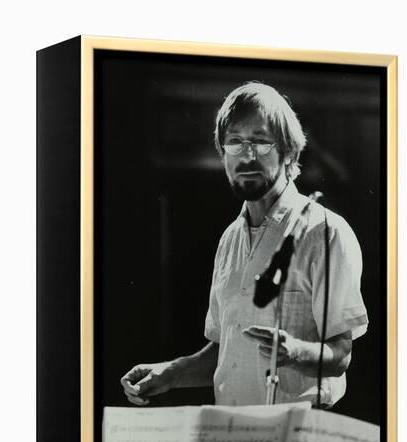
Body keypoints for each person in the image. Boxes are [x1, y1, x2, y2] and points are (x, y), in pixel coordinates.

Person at [121, 82, 368, 408]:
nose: (247, 155)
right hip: (234, 439)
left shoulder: (325, 232)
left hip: (296, 441)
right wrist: (172, 372)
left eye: (261, 142)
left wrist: (294, 351)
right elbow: (227, 351)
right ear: (223, 155)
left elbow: (340, 355)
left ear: (289, 152)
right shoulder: (230, 240)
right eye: (235, 142)